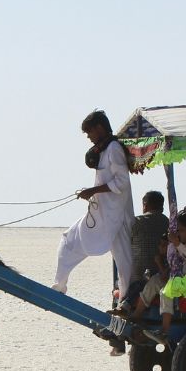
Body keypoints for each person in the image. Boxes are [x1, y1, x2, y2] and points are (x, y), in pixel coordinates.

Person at [52, 111, 135, 299]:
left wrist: (93, 191)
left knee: (124, 262)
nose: (89, 137)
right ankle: (58, 287)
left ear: (99, 128)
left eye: (89, 133)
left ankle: (126, 300)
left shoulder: (113, 148)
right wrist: (92, 191)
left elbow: (122, 182)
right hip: (101, 215)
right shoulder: (104, 150)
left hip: (117, 216)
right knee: (68, 240)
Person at [131, 207, 186, 342]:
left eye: (180, 230)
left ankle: (164, 331)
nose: (178, 234)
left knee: (167, 292)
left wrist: (176, 244)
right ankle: (136, 315)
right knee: (156, 280)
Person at [109, 191, 169, 356]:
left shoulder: (136, 223)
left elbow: (123, 244)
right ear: (162, 206)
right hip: (159, 271)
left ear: (145, 205)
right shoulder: (169, 224)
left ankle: (117, 340)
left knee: (120, 289)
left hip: (141, 274)